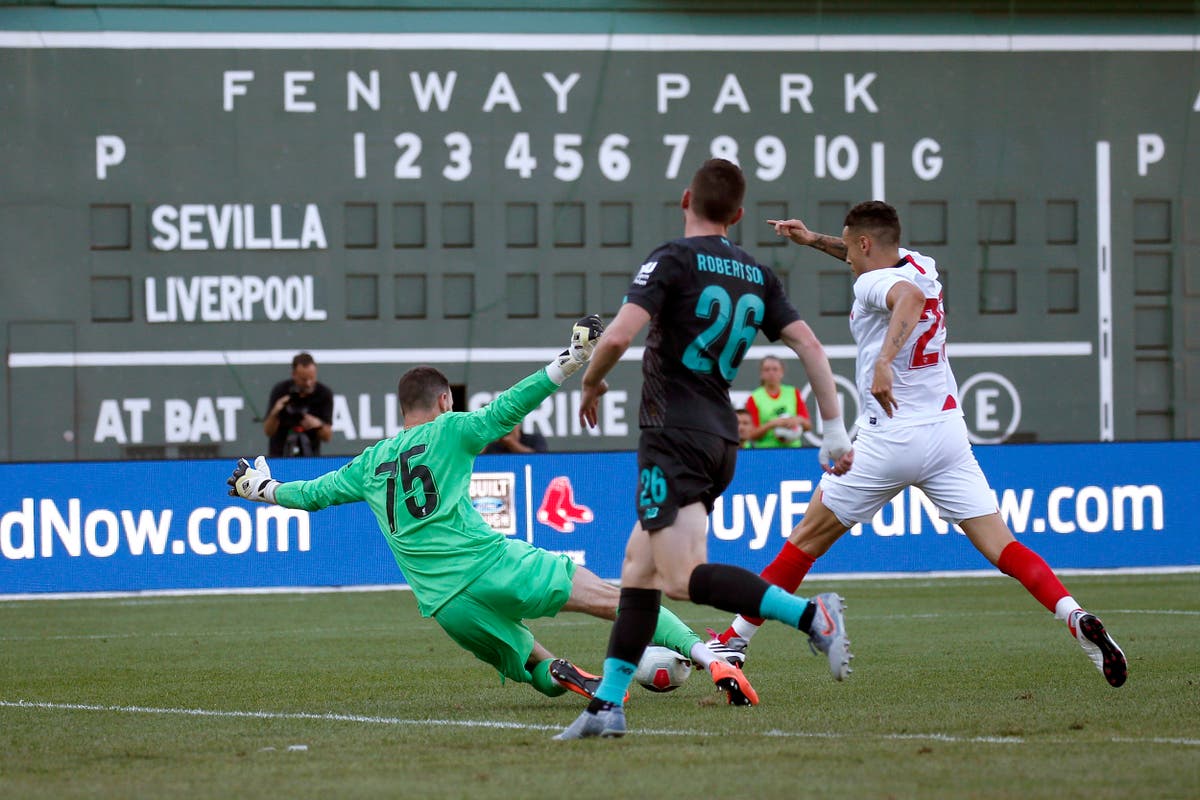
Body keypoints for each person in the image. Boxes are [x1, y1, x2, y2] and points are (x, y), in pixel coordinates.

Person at [228, 316, 758, 707]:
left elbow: (313, 494)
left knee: (532, 664)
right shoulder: (451, 428)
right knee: (617, 600)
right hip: (492, 564)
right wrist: (568, 362)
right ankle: (712, 657)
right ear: (442, 402)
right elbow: (507, 408)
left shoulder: (369, 463)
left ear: (401, 410)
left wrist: (263, 488)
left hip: (443, 604)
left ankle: (566, 676)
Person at [708, 201, 1128, 689]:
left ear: (864, 245)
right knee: (1003, 546)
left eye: (848, 244)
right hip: (947, 435)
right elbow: (893, 275)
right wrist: (813, 240)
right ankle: (1074, 616)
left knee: (804, 541)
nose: (845, 252)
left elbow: (904, 298)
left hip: (888, 436)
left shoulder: (875, 283)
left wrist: (885, 359)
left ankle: (734, 640)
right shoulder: (922, 264)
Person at [555, 159, 855, 740]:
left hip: (672, 436)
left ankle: (810, 615)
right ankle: (606, 707)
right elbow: (812, 347)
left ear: (687, 197)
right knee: (637, 573)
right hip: (720, 437)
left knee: (679, 578)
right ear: (739, 215)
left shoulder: (671, 258)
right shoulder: (758, 274)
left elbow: (617, 334)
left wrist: (591, 382)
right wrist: (834, 428)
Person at [263, 352, 334, 457]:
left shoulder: (323, 394)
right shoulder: (281, 391)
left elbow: (327, 436)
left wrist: (317, 424)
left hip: (310, 457)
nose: (309, 383)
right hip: (280, 455)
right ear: (294, 375)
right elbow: (268, 431)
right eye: (304, 379)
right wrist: (276, 411)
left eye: (312, 378)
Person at [743, 355, 812, 447]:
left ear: (782, 372)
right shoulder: (754, 398)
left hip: (794, 451)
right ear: (761, 374)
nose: (771, 373)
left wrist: (797, 420)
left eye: (775, 369)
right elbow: (751, 435)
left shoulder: (793, 393)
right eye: (767, 370)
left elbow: (808, 426)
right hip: (766, 451)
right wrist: (772, 424)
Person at [482, 423, 549, 455]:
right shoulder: (493, 446)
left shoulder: (535, 439)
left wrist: (511, 444)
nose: (507, 429)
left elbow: (541, 460)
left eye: (510, 423)